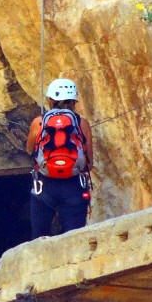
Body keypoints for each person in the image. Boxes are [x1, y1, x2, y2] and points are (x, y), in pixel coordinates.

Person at [26, 78, 93, 239]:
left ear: (50, 100)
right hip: (74, 187)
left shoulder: (38, 122)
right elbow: (89, 163)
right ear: (74, 100)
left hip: (45, 185)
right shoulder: (82, 123)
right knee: (74, 237)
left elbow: (29, 150)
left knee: (39, 237)